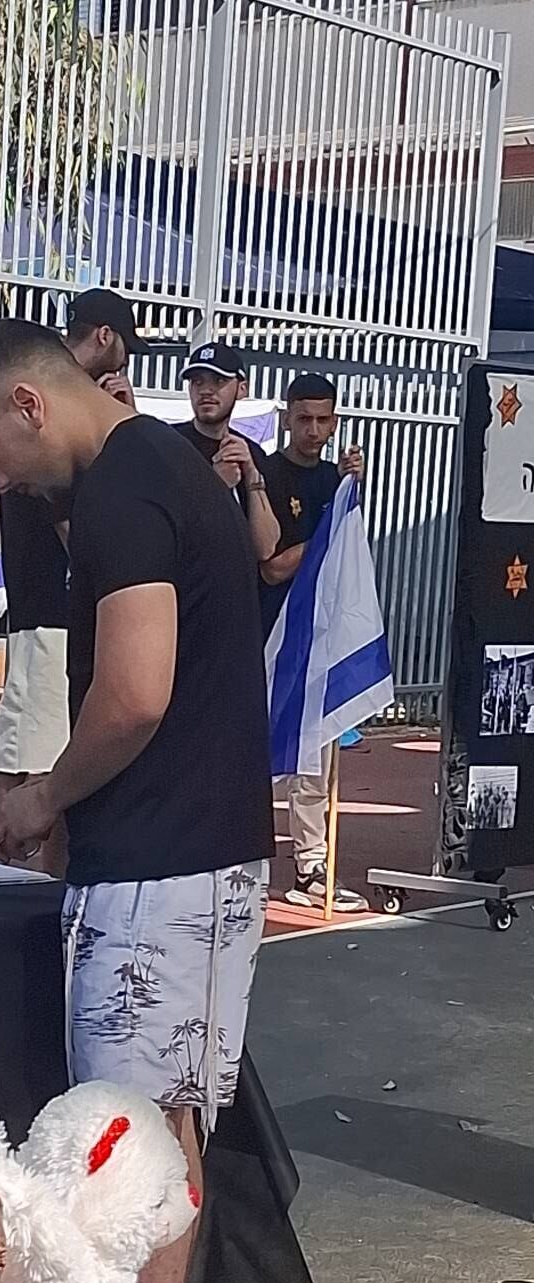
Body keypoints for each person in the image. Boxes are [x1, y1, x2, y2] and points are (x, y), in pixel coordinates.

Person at [0, 320, 274, 1283]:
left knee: (128, 1142)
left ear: (31, 404)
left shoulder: (126, 495)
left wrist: (43, 795)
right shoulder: (161, 470)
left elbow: (133, 692)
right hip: (197, 857)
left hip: (162, 868)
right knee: (165, 1133)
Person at [0, 289, 147, 867]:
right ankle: (30, 894)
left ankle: (23, 890)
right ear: (105, 337)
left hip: (54, 613)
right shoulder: (55, 418)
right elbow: (81, 532)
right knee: (39, 771)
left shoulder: (55, 405)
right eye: (125, 347)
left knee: (30, 761)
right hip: (51, 613)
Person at [258, 372, 367, 913]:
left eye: (324, 420)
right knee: (254, 752)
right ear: (287, 419)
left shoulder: (334, 481)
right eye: (304, 419)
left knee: (315, 757)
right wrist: (325, 536)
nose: (314, 430)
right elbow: (272, 566)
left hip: (318, 638)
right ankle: (244, 858)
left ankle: (311, 864)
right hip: (268, 633)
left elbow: (346, 557)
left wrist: (349, 496)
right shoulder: (266, 474)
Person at [174, 340, 280, 563]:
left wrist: (251, 475)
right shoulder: (169, 444)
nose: (206, 390)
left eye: (219, 380)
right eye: (197, 381)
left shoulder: (251, 453)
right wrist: (216, 486)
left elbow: (266, 548)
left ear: (242, 389)